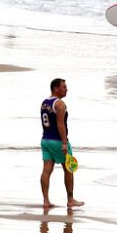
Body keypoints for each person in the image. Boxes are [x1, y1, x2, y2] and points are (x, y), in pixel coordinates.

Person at [40, 78, 85, 209]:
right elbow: (60, 124)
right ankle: (70, 200)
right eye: (64, 87)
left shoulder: (45, 103)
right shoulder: (59, 104)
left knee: (46, 170)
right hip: (58, 141)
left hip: (45, 140)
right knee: (69, 169)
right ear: (56, 88)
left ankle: (46, 201)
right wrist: (64, 143)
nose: (66, 89)